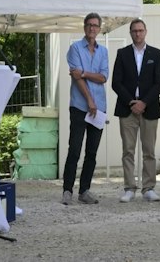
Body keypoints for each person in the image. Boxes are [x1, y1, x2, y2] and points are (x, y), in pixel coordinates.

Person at [112, 18, 160, 202]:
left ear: (146, 31)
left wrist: (144, 102)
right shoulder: (122, 53)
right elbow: (116, 83)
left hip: (149, 109)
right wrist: (132, 102)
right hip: (127, 109)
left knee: (149, 150)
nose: (138, 33)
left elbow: (159, 83)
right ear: (130, 33)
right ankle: (129, 188)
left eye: (141, 30)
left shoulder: (156, 54)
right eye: (134, 31)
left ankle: (149, 187)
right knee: (128, 150)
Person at [62, 12, 111, 205]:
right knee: (74, 149)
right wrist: (90, 100)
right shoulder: (74, 48)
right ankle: (67, 190)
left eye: (95, 25)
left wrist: (83, 72)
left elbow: (104, 77)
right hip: (80, 106)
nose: (92, 28)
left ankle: (85, 190)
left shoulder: (103, 52)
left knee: (92, 152)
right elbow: (77, 78)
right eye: (89, 25)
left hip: (99, 108)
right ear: (84, 27)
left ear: (99, 29)